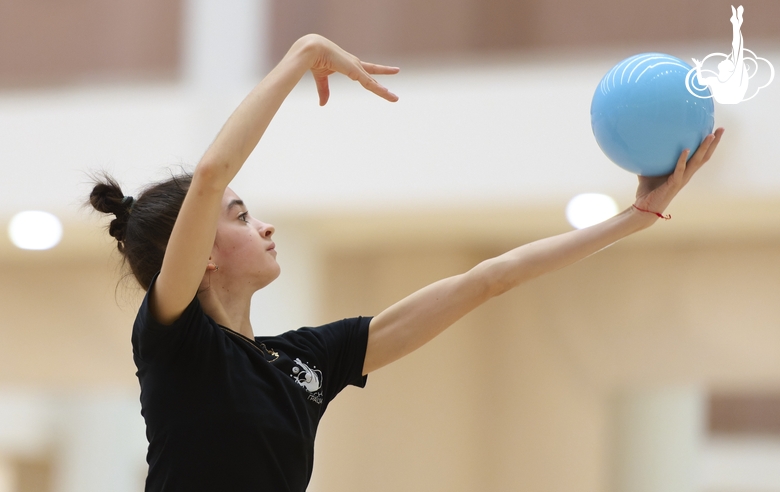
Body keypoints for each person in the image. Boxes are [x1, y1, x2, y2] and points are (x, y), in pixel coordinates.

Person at [89, 34, 724, 492]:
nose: (264, 224)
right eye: (241, 216)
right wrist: (301, 55)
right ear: (197, 256)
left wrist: (634, 220)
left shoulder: (305, 361)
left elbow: (487, 281)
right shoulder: (175, 341)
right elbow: (209, 174)